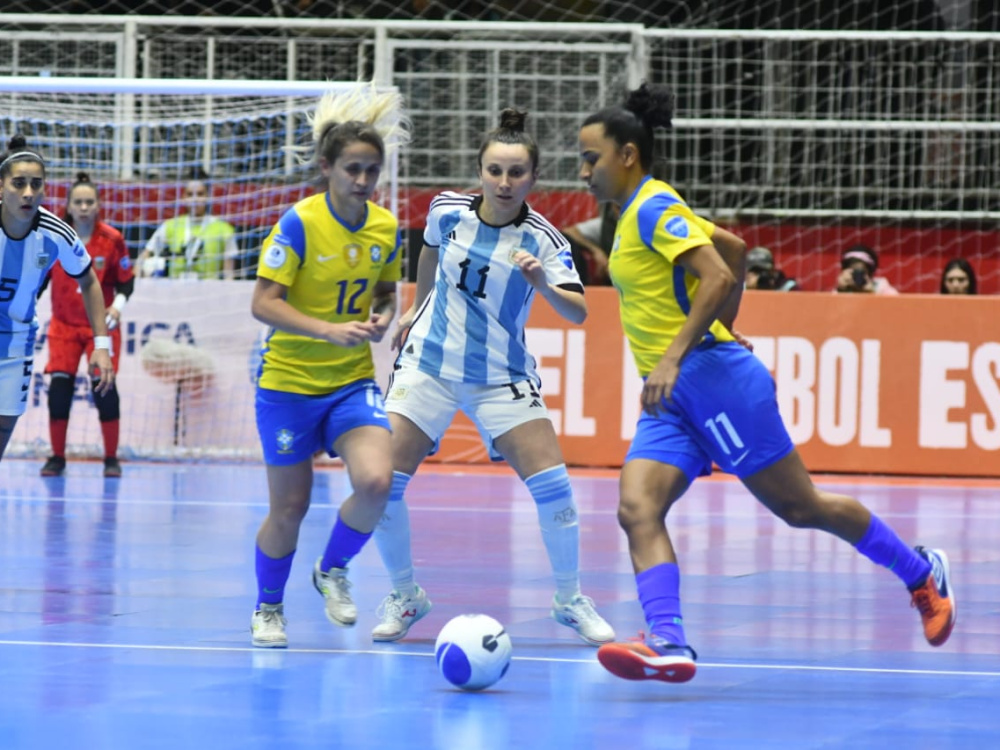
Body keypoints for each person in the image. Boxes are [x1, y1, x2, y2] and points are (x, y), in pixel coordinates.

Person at [576, 83, 955, 683]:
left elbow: (719, 273)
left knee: (801, 508)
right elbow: (734, 246)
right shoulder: (631, 215)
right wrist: (717, 330)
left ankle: (920, 572)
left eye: (590, 158)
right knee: (637, 508)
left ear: (627, 154)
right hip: (672, 396)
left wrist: (684, 352)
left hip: (711, 379)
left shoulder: (652, 205)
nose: (583, 172)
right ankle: (668, 640)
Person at [369, 108, 615, 647]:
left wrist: (542, 283)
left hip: (501, 375)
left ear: (533, 178)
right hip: (429, 365)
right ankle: (405, 594)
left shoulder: (545, 240)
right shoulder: (447, 211)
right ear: (479, 171)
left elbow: (578, 312)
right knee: (381, 483)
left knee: (555, 487)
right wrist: (416, 307)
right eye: (495, 171)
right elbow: (430, 251)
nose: (504, 182)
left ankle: (570, 600)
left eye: (516, 173)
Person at [248, 85, 409, 648]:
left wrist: (383, 316)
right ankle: (269, 607)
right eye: (352, 169)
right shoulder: (298, 224)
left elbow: (385, 290)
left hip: (350, 381)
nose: (363, 180)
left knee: (377, 482)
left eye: (371, 170)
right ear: (327, 168)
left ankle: (333, 568)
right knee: (289, 507)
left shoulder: (385, 227)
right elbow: (263, 303)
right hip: (289, 385)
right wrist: (326, 329)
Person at [0, 135, 114, 461]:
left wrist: (101, 346)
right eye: (18, 183)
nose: (28, 192)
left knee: (4, 427)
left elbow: (89, 281)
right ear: (1, 188)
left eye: (36, 184)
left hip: (16, 343)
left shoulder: (56, 233)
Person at [39, 172, 134, 478]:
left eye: (89, 202)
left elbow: (127, 283)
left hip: (99, 329)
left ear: (98, 205)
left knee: (103, 388)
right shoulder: (54, 238)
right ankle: (57, 457)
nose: (83, 207)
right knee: (59, 390)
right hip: (63, 327)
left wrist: (117, 307)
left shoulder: (112, 240)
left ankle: (111, 458)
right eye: (78, 202)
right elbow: (39, 280)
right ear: (68, 205)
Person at [137, 173, 238, 280]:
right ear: (184, 197)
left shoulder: (224, 229)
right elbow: (144, 256)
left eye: (200, 194)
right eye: (190, 194)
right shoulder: (170, 226)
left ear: (208, 196)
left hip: (210, 288)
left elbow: (229, 273)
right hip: (176, 288)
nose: (195, 199)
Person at [562, 202, 619, 285]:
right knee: (566, 240)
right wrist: (596, 251)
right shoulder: (605, 226)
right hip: (614, 282)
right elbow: (569, 232)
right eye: (617, 207)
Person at [834, 244, 899, 295]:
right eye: (853, 272)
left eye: (861, 271)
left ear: (870, 272)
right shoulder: (843, 289)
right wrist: (840, 290)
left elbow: (897, 305)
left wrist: (872, 293)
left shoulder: (881, 287)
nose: (857, 276)